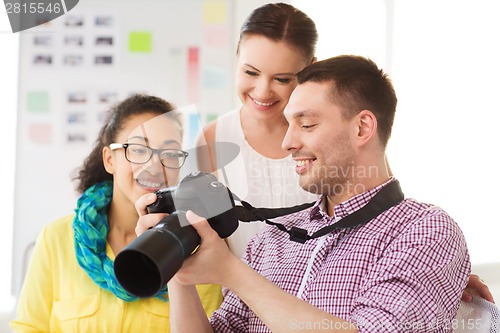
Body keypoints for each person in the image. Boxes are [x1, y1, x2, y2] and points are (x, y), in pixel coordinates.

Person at [136, 55, 473, 332]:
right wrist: (175, 260)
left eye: (306, 125)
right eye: (288, 124)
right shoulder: (271, 240)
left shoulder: (426, 232)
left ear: (362, 127)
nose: (287, 143)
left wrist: (232, 273)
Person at [202, 2, 494, 304]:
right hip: (242, 298)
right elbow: (200, 242)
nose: (263, 92)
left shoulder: (342, 138)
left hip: (328, 297)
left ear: (309, 69)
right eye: (251, 71)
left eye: (283, 79)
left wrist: (426, 273)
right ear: (236, 57)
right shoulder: (208, 143)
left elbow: (379, 204)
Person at [10, 95, 223, 332]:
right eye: (139, 150)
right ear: (109, 160)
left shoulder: (199, 248)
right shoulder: (57, 238)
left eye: (170, 154)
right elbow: (29, 327)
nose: (154, 165)